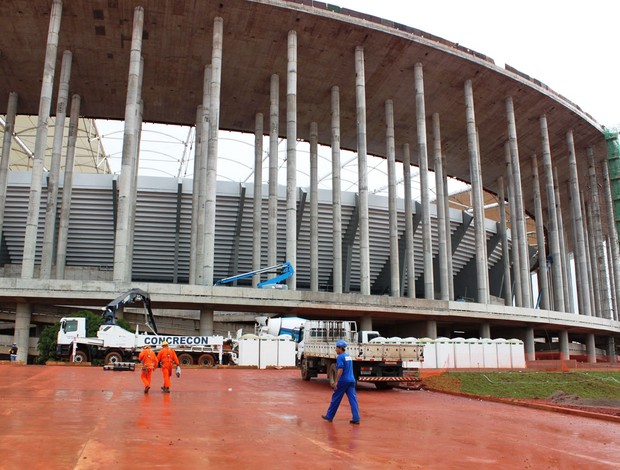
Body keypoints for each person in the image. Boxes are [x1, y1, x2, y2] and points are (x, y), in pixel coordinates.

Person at [322, 339, 360, 424]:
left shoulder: (340, 357)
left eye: (336, 348)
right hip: (351, 380)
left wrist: (336, 381)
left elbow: (340, 369)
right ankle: (356, 418)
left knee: (336, 399)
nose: (335, 350)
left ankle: (329, 416)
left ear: (340, 348)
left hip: (343, 381)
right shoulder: (348, 356)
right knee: (353, 400)